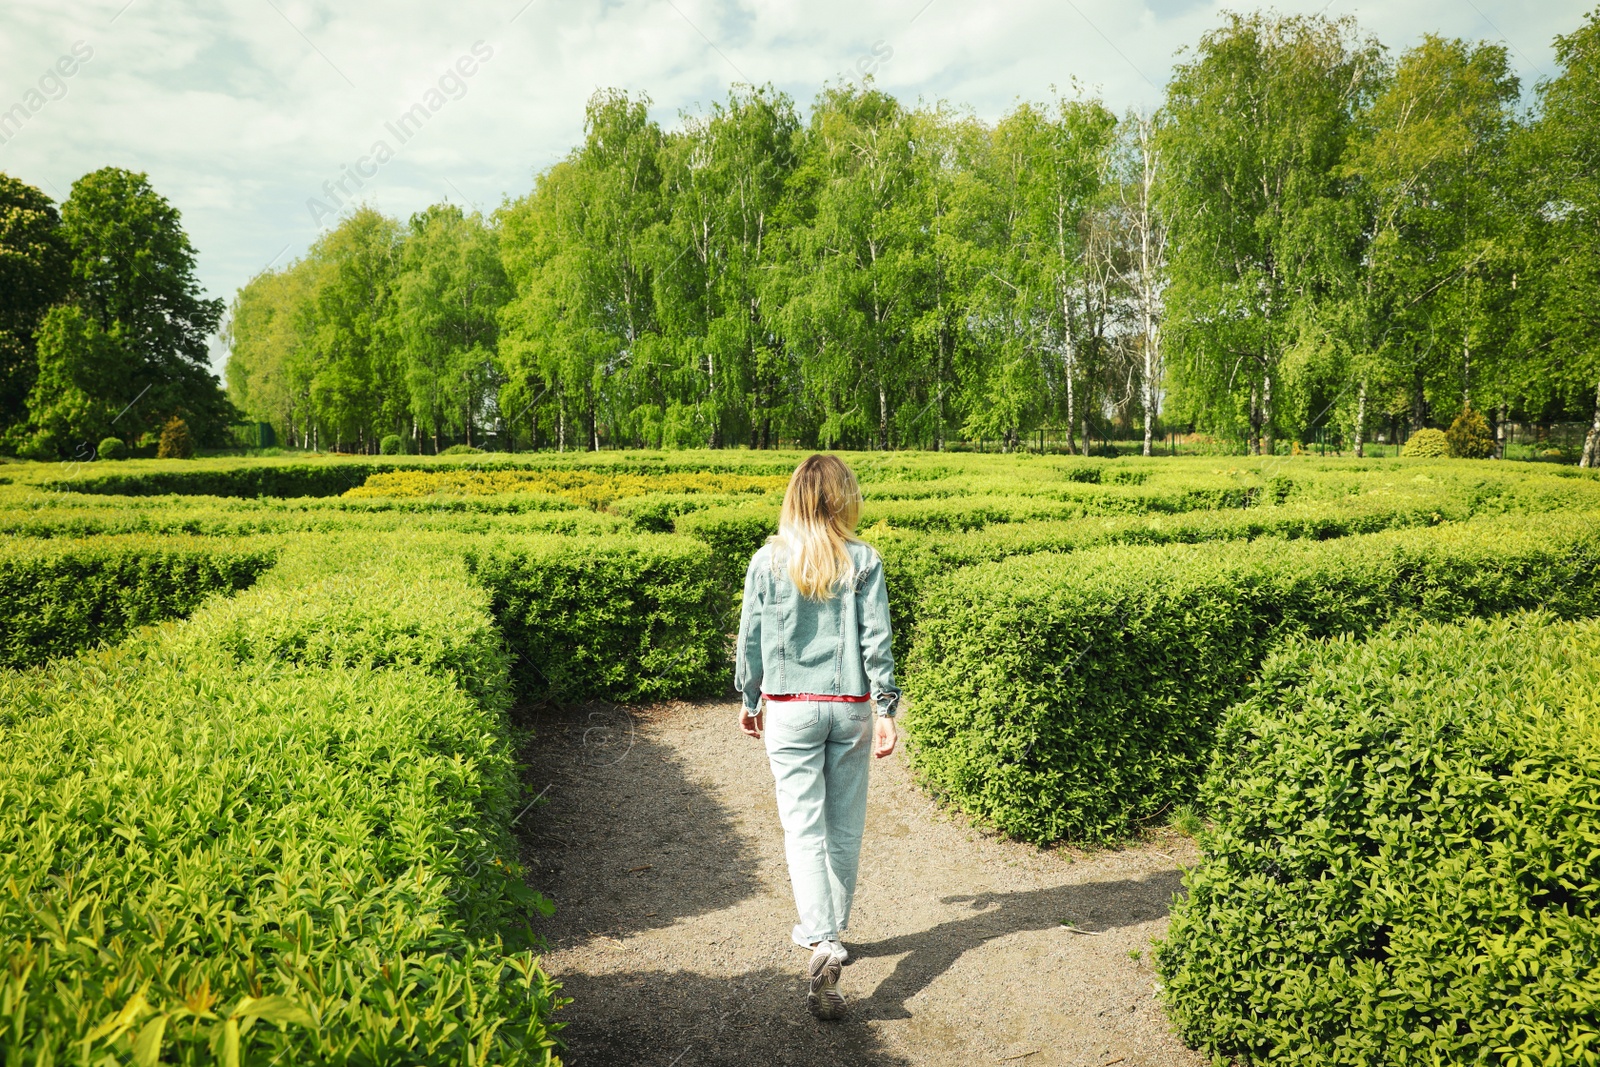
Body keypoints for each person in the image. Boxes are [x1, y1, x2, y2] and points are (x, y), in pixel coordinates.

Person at [734, 453, 900, 1021]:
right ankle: (829, 930)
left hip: (789, 708)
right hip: (850, 707)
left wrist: (749, 695)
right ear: (842, 499)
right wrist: (886, 707)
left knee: (803, 827)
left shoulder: (767, 560)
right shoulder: (863, 559)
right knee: (844, 826)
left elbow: (751, 636)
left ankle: (821, 939)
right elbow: (876, 637)